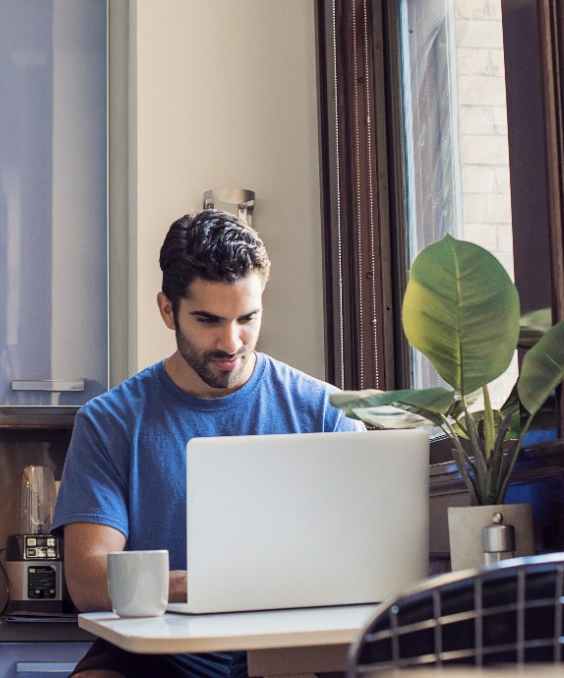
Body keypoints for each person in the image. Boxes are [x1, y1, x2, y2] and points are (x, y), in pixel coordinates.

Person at [51, 209, 364, 678]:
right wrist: (197, 586)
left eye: (247, 318)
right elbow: (89, 579)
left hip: (291, 645)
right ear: (166, 309)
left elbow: (361, 555)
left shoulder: (324, 411)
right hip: (154, 654)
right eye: (207, 320)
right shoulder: (108, 422)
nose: (231, 342)